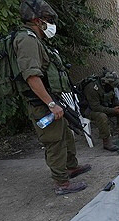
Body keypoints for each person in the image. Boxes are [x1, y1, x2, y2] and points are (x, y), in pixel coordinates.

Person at [15, 0, 90, 195]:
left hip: (51, 100)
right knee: (54, 141)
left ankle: (71, 168)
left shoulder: (36, 39)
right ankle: (61, 184)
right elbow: (31, 76)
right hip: (41, 103)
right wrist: (50, 103)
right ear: (37, 20)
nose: (51, 24)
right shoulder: (27, 40)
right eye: (48, 20)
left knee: (65, 134)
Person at [78, 71, 119, 151]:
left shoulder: (109, 86)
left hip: (103, 107)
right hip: (89, 110)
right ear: (105, 82)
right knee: (102, 116)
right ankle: (106, 141)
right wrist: (112, 110)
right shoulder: (92, 88)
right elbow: (95, 107)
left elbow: (114, 98)